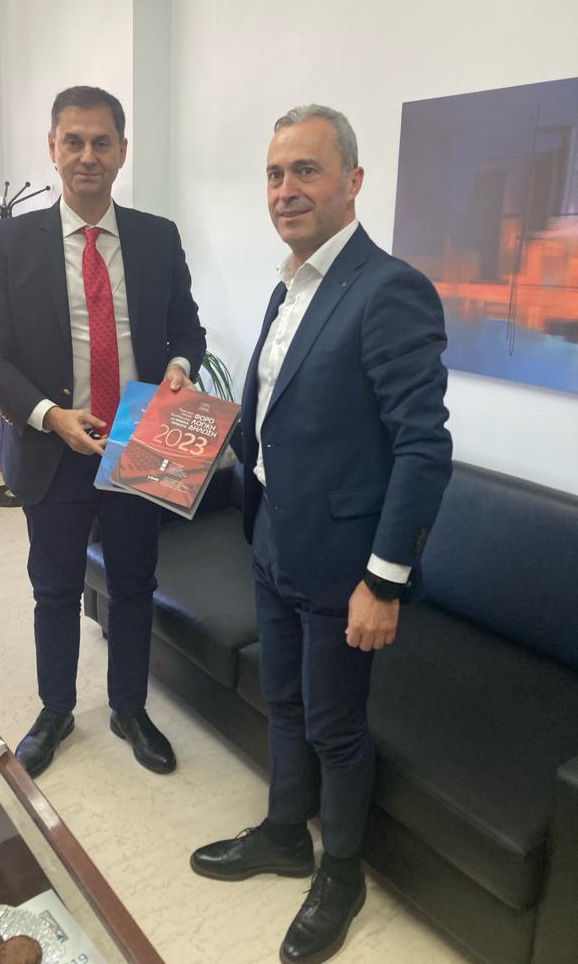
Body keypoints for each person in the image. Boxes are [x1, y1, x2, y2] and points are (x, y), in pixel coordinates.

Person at [190, 105, 452, 964]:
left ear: (352, 181)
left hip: (345, 566)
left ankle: (341, 871)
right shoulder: (290, 286)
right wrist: (189, 427)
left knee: (336, 727)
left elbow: (423, 448)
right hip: (274, 541)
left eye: (306, 170)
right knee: (285, 701)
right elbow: (282, 420)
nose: (286, 189)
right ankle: (282, 832)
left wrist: (384, 580)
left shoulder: (389, 289)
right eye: (275, 174)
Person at [0, 85, 206, 780]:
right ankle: (56, 710)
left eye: (102, 142)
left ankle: (129, 707)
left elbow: (187, 329)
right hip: (53, 444)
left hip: (139, 442)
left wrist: (180, 369)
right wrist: (50, 414)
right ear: (52, 148)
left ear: (122, 151)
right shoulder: (11, 243)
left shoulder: (157, 238)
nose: (87, 155)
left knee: (134, 584)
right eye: (73, 141)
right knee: (54, 588)